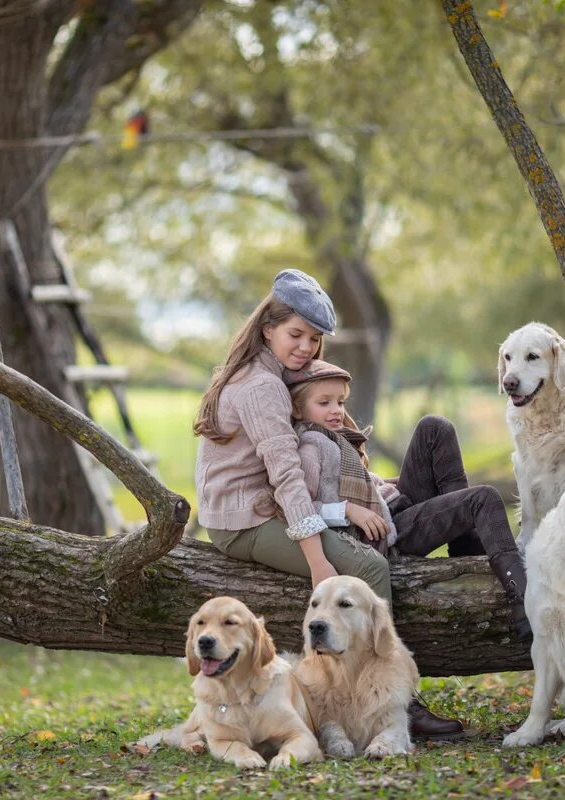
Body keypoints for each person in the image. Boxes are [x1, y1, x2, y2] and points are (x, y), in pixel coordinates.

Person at [193, 268, 462, 739]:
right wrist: (319, 562)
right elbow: (287, 475)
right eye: (295, 334)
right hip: (244, 521)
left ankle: (374, 693)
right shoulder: (261, 386)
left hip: (264, 506)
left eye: (315, 340)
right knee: (370, 571)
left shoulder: (271, 374)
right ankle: (399, 703)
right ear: (267, 329)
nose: (305, 348)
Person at [284, 360, 532, 643]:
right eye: (324, 403)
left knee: (434, 427)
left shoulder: (335, 438)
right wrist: (349, 511)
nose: (336, 410)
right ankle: (522, 598)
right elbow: (300, 508)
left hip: (391, 508)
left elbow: (359, 485)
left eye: (340, 402)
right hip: (384, 535)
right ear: (298, 408)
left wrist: (383, 485)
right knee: (483, 498)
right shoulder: (309, 449)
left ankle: (466, 548)